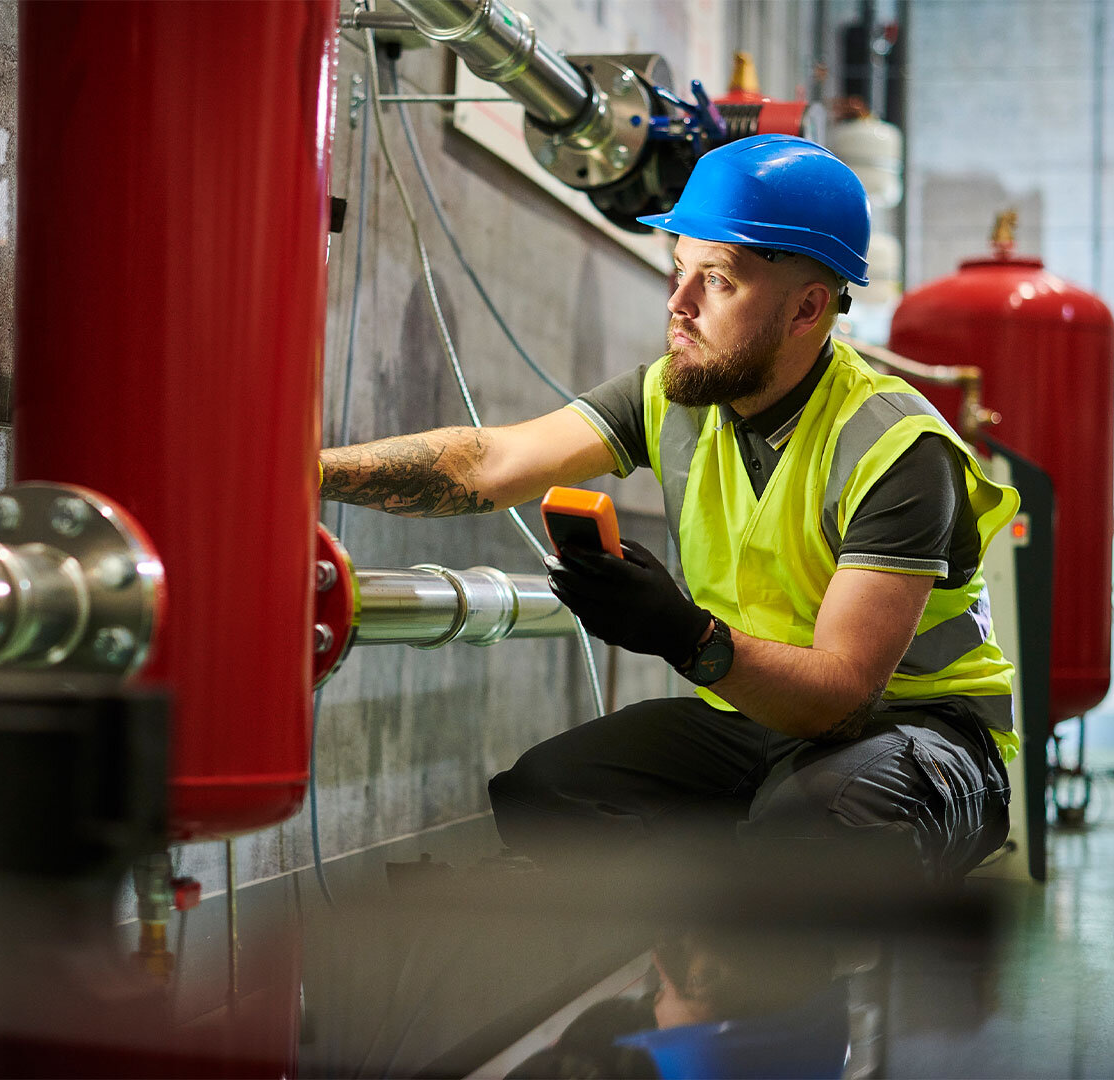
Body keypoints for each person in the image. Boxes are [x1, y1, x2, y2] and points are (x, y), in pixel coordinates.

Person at [319, 134, 1015, 883]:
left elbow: (841, 703)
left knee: (817, 825)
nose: (677, 307)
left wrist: (688, 636)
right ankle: (700, 957)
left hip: (918, 734)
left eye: (715, 280)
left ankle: (784, 972)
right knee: (550, 796)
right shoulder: (676, 396)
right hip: (762, 719)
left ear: (808, 308)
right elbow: (492, 462)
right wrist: (307, 473)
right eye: (678, 270)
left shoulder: (896, 447)